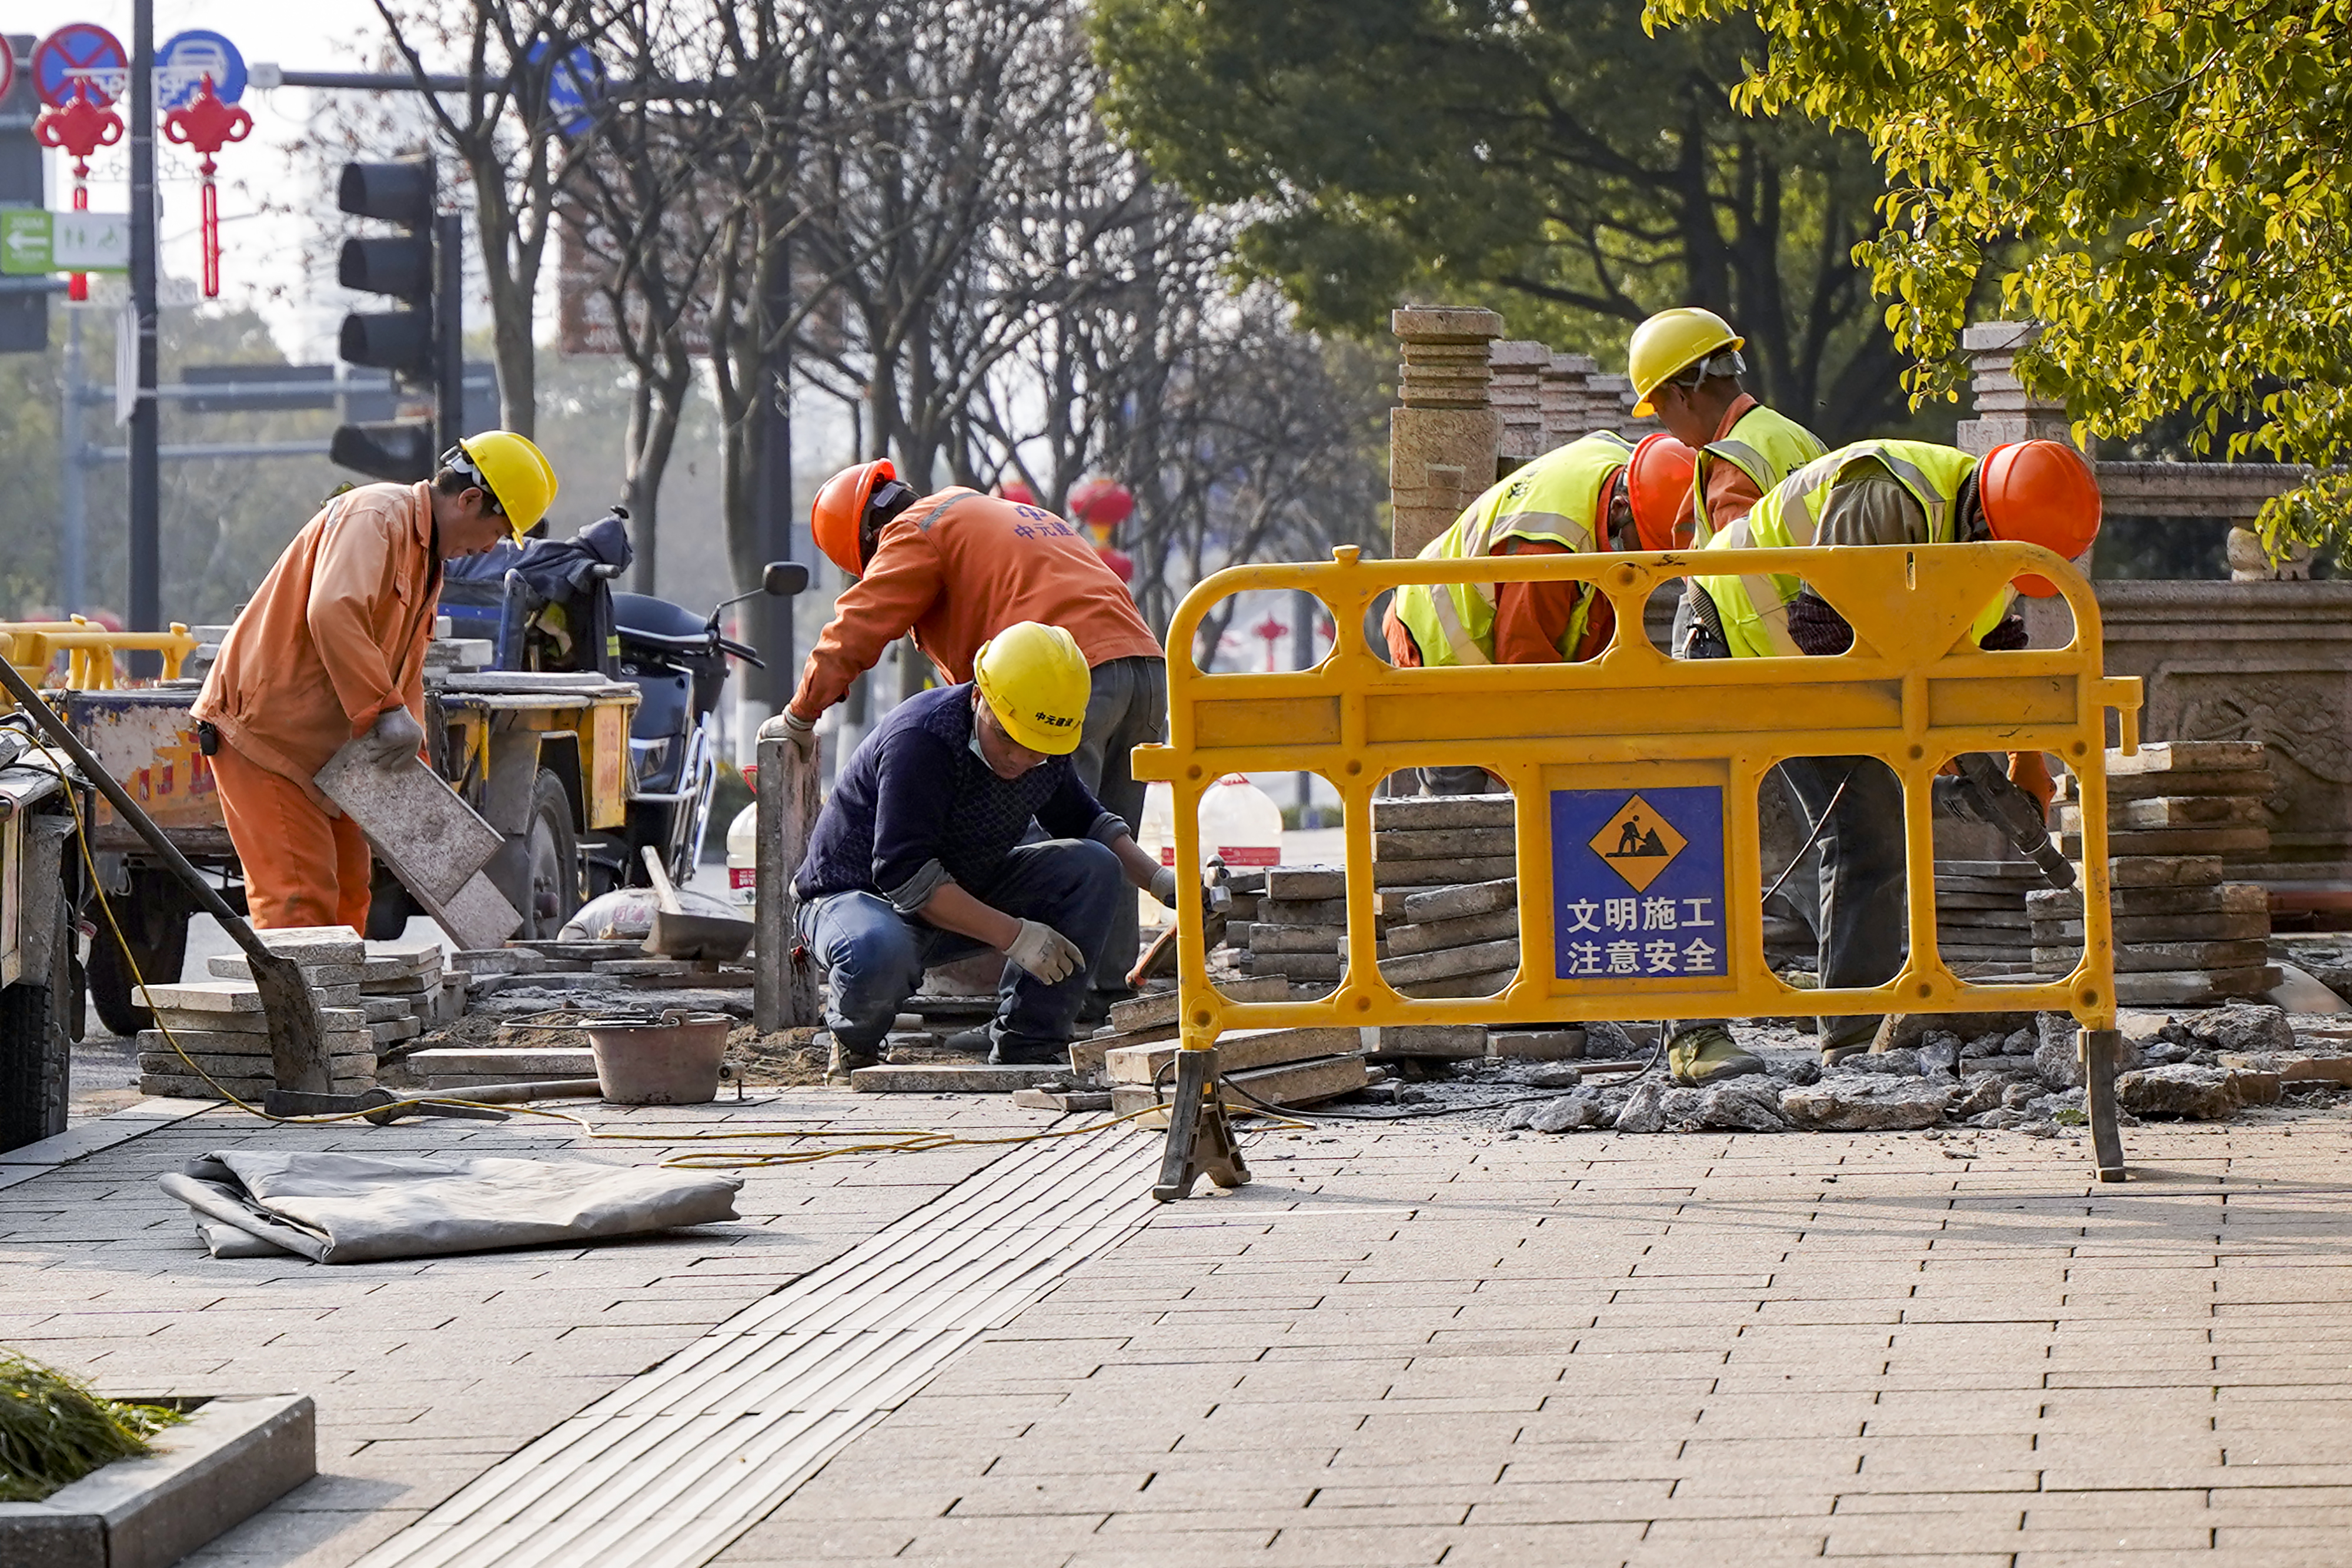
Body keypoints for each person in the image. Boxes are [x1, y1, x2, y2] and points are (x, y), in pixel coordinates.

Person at [1665, 437, 2102, 1082]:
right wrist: (1932, 734)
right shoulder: (1888, 494)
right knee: (1704, 830)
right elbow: (1826, 631)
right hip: (1732, 626)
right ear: (1987, 518)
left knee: (1870, 830)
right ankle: (1698, 1036)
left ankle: (1854, 1028)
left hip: (1804, 661)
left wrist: (2024, 760)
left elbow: (1999, 653)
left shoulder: (1995, 542)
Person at [782, 461, 1165, 1009]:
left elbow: (858, 626)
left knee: (1040, 836)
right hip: (1143, 668)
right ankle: (1099, 1001)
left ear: (868, 543)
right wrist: (1159, 881)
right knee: (1101, 851)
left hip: (1064, 677)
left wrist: (802, 711)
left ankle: (1027, 1015)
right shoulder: (992, 513)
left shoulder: (918, 529)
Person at [791, 621, 1186, 1082]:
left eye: (1036, 751)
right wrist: (1016, 936)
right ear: (979, 696)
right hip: (856, 900)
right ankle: (854, 1047)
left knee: (1091, 866)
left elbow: (1088, 822)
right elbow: (905, 875)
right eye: (1007, 738)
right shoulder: (923, 738)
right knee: (880, 948)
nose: (1020, 760)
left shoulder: (1042, 735)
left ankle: (1029, 1045)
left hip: (957, 891)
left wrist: (1162, 883)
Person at [191, 433, 557, 930]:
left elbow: (401, 665)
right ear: (469, 499)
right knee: (300, 902)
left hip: (332, 753)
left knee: (347, 899)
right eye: (495, 531)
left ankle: (338, 1006)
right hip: (268, 738)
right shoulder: (377, 517)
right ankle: (302, 1009)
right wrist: (385, 710)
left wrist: (415, 766)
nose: (489, 548)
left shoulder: (426, 557)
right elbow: (332, 611)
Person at [1382, 430, 1698, 792]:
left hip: (1488, 620)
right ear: (1619, 510)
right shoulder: (1548, 555)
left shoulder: (1621, 466)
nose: (1646, 566)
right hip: (1438, 644)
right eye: (1643, 547)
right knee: (1457, 799)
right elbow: (1526, 675)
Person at [1626, 307, 1827, 545]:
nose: (1672, 434)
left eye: (1662, 412)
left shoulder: (1730, 465)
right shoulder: (1803, 437)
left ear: (1679, 395)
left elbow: (1736, 574)